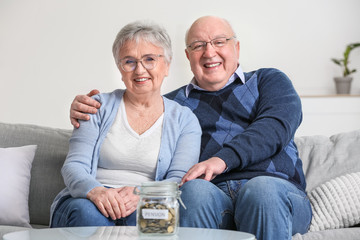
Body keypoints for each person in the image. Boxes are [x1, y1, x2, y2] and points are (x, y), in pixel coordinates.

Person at [69, 16, 312, 240]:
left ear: (236, 48)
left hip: (276, 191)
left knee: (262, 191)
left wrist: (222, 160)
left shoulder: (268, 81)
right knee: (194, 191)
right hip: (213, 196)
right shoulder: (174, 108)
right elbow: (135, 109)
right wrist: (84, 106)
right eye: (198, 45)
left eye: (219, 41)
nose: (209, 52)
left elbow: (275, 128)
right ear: (187, 56)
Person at [50, 20, 202, 228]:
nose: (140, 70)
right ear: (120, 69)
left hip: (148, 201)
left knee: (154, 220)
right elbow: (75, 166)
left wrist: (142, 193)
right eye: (129, 61)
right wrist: (97, 192)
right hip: (89, 199)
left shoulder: (185, 120)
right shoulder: (97, 107)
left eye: (149, 59)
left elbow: (179, 180)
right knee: (89, 215)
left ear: (166, 65)